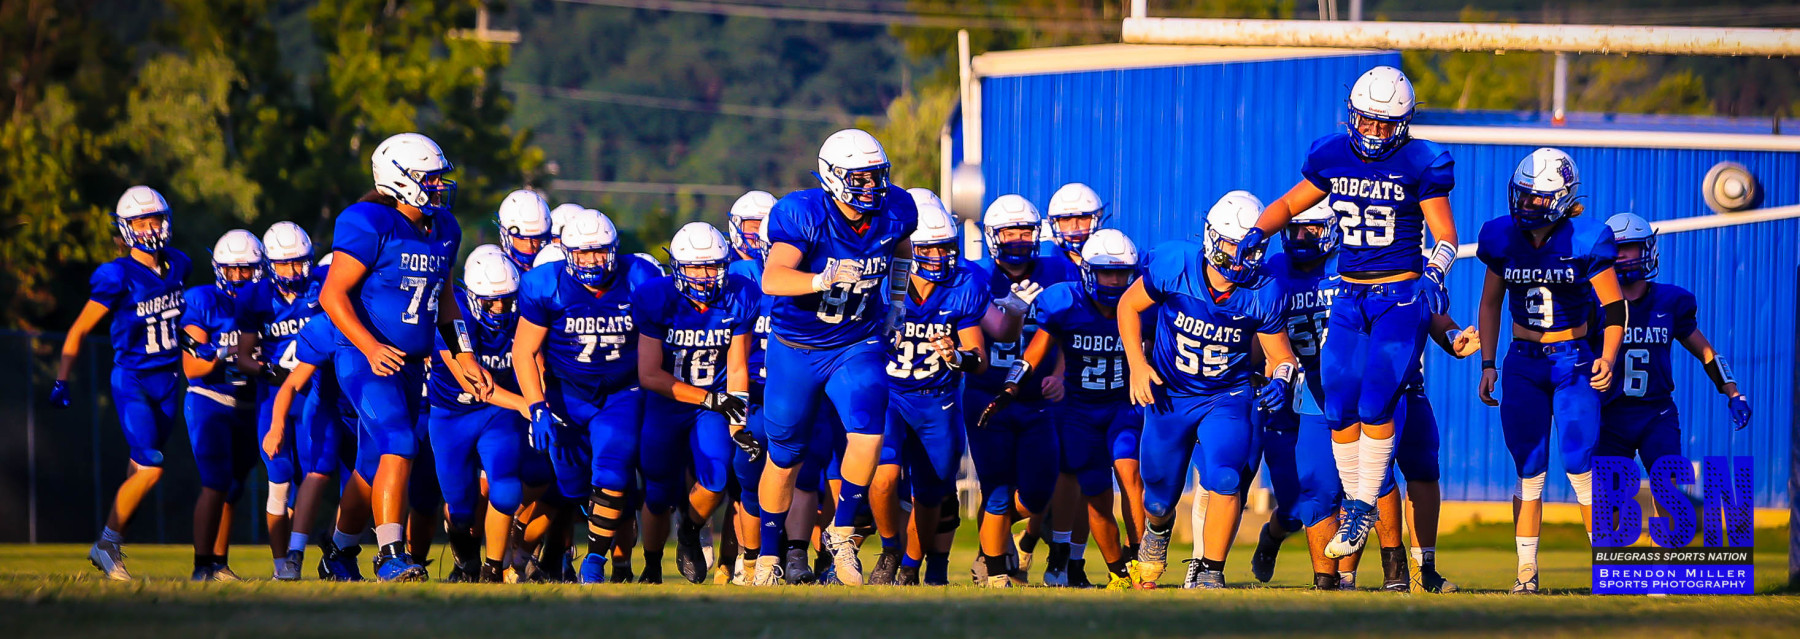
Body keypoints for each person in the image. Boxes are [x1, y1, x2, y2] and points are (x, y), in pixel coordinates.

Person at [1241, 66, 1458, 561]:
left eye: (1386, 123)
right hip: (1350, 296)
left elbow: (1445, 234)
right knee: (1338, 404)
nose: (1375, 131)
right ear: (1351, 115)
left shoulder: (1421, 161)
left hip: (1399, 296)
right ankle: (1360, 505)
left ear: (1403, 122)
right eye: (1367, 120)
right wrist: (1258, 231)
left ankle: (1361, 506)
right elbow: (1289, 204)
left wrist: (1436, 273)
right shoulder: (1332, 155)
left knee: (1376, 402)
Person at [319, 132, 490, 581]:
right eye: (427, 177)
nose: (437, 185)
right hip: (366, 358)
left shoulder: (444, 228)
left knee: (370, 464)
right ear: (397, 179)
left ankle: (338, 554)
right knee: (399, 442)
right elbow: (332, 295)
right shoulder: (368, 221)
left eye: (438, 177)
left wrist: (465, 356)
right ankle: (390, 554)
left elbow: (446, 301)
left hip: (410, 365)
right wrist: (370, 346)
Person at [753, 128, 918, 587]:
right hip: (798, 346)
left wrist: (898, 301)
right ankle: (768, 556)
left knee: (869, 424)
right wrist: (820, 279)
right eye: (859, 178)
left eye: (876, 176)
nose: (870, 186)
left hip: (855, 340)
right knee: (785, 455)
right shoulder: (803, 213)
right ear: (831, 176)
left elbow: (902, 250)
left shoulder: (897, 209)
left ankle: (841, 532)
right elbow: (772, 278)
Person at [1117, 190, 1298, 590]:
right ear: (1211, 237)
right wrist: (1138, 365)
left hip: (1226, 397)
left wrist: (1282, 379)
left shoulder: (1265, 289)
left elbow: (1281, 355)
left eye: (1250, 247)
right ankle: (1158, 530)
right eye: (1232, 244)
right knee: (1158, 499)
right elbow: (1128, 306)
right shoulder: (1175, 264)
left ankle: (1210, 570)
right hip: (1170, 394)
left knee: (1227, 477)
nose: (1241, 256)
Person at [1476, 148, 1623, 594]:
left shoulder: (1587, 238)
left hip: (1572, 358)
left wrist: (1608, 356)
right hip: (1523, 360)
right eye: (1522, 194)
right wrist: (1487, 362)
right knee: (1529, 466)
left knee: (1579, 462)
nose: (1526, 204)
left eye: (1536, 197)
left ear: (1562, 198)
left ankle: (1609, 569)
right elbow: (1490, 303)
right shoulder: (1501, 237)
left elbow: (1614, 308)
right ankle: (1526, 572)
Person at [981, 227, 1144, 589]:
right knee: (1097, 494)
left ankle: (1141, 560)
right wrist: (1009, 387)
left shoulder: (1141, 307)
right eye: (1106, 273)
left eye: (1122, 273)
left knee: (1130, 474)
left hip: (1122, 406)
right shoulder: (1065, 302)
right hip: (1079, 412)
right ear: (1088, 272)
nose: (1115, 281)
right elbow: (1034, 353)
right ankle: (1118, 570)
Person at [513, 208, 659, 584]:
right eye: (583, 252)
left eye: (599, 251)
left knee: (613, 471)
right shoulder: (546, 283)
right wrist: (537, 406)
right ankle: (527, 554)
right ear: (568, 253)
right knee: (571, 486)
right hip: (567, 394)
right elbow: (524, 351)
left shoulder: (639, 277)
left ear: (614, 249)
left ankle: (594, 561)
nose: (592, 260)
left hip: (620, 393)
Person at [51, 185, 190, 581]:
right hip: (134, 381)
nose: (151, 229)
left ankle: (112, 543)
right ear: (126, 228)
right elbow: (79, 329)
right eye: (141, 222)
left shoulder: (180, 264)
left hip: (169, 381)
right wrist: (62, 378)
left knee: (140, 469)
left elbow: (181, 321)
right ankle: (107, 544)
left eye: (155, 220)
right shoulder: (116, 275)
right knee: (151, 467)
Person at [868, 193, 991, 586]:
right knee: (885, 477)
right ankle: (890, 548)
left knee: (932, 491)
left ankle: (910, 565)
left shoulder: (964, 285)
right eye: (928, 248)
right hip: (887, 395)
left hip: (937, 400)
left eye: (944, 247)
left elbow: (979, 357)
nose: (938, 256)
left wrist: (958, 356)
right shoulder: (880, 282)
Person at [633, 222, 758, 584]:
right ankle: (652, 566)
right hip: (668, 402)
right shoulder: (656, 297)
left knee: (716, 478)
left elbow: (737, 367)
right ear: (676, 267)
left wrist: (738, 424)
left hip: (712, 407)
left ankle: (689, 531)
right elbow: (649, 374)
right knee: (658, 492)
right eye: (694, 267)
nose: (704, 276)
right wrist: (710, 398)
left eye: (712, 266)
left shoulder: (740, 295)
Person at [1597, 213, 1753, 474]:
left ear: (1646, 248)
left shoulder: (1671, 301)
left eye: (1628, 246)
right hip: (1608, 413)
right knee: (1609, 497)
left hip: (1656, 413)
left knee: (1666, 486)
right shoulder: (1593, 303)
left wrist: (1734, 394)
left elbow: (1707, 354)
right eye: (1615, 248)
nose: (1621, 255)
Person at [965, 194, 1068, 587]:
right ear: (994, 235)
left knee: (1038, 493)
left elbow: (1068, 331)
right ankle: (994, 570)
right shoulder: (976, 276)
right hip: (988, 393)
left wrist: (1059, 374)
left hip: (1035, 399)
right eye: (1011, 231)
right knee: (995, 487)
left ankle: (992, 539)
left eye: (1025, 230)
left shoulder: (1056, 271)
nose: (1019, 238)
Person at [429, 246, 546, 582]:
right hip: (451, 417)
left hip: (498, 416)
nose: (499, 309)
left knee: (507, 491)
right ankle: (466, 563)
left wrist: (541, 399)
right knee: (460, 508)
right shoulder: (453, 317)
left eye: (506, 301)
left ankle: (493, 569)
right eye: (490, 302)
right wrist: (526, 404)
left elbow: (536, 360)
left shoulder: (522, 315)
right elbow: (476, 384)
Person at [236, 221, 328, 579]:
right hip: (274, 394)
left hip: (314, 394)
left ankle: (296, 557)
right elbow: (244, 357)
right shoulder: (254, 297)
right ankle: (280, 566)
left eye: (299, 262)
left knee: (311, 476)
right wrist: (267, 370)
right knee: (279, 477)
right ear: (269, 264)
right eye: (284, 263)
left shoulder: (322, 285)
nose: (292, 270)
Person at [180, 229, 264, 581]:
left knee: (233, 487)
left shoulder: (268, 301)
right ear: (219, 269)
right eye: (232, 269)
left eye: (247, 269)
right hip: (211, 400)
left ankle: (218, 562)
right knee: (215, 482)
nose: (240, 276)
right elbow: (192, 367)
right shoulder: (202, 300)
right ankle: (201, 566)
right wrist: (230, 351)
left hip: (249, 405)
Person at [496, 189, 554, 271]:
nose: (529, 245)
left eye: (536, 239)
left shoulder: (553, 265)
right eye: (522, 239)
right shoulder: (498, 268)